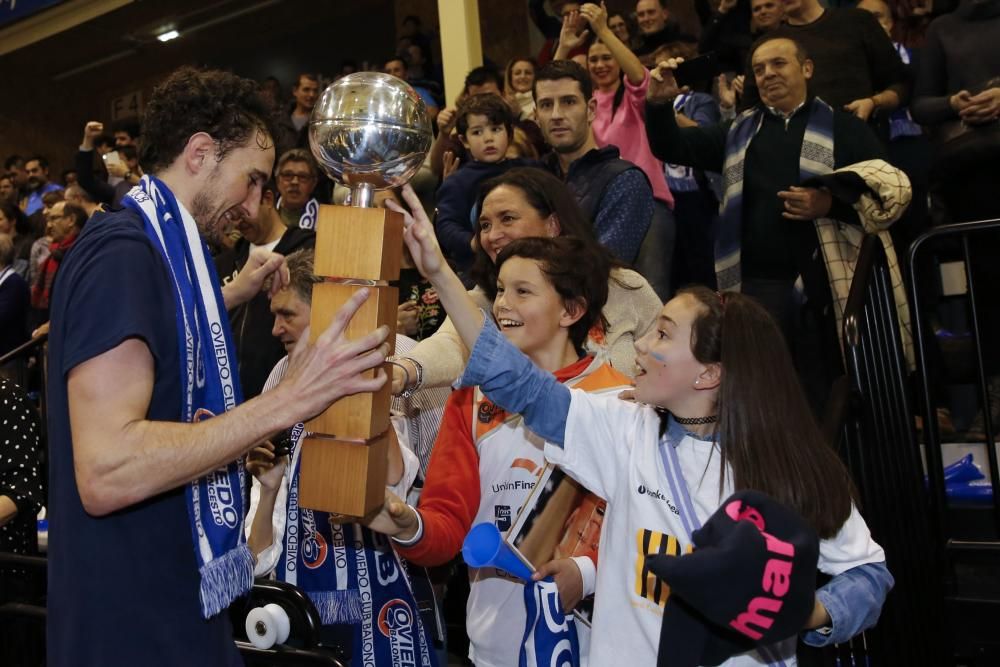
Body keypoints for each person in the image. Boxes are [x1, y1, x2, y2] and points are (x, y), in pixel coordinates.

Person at [382, 197, 894, 666]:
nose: (642, 344)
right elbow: (517, 383)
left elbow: (869, 576)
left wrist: (806, 614)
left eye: (664, 334)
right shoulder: (624, 428)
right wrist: (437, 272)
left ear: (708, 374)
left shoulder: (791, 469)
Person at [45, 66, 391, 665]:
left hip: (171, 604)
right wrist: (286, 402)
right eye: (252, 181)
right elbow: (108, 469)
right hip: (134, 626)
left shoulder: (153, 255)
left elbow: (159, 340)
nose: (257, 207)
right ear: (201, 154)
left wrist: (228, 295)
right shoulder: (124, 255)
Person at [367, 220, 632, 667]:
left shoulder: (620, 401)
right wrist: (407, 526)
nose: (504, 305)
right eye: (501, 291)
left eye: (522, 292)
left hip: (596, 649)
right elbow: (448, 525)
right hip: (494, 648)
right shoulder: (470, 399)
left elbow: (640, 536)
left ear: (571, 310)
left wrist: (586, 574)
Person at [645, 36, 910, 410]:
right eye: (758, 69)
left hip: (829, 286)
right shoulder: (738, 131)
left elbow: (889, 194)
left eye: (778, 64)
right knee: (769, 394)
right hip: (757, 288)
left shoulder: (844, 128)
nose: (767, 74)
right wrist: (658, 103)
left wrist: (830, 203)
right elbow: (672, 147)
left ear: (807, 68)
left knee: (830, 389)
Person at [245, 248, 437, 666]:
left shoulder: (396, 363)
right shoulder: (280, 377)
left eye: (287, 314)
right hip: (299, 614)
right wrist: (268, 486)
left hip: (384, 606)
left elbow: (412, 485)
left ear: (328, 308)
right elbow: (259, 556)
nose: (275, 329)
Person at [392, 167, 661, 396]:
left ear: (552, 225)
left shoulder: (624, 286)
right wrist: (404, 371)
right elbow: (450, 345)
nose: (492, 235)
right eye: (484, 225)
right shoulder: (486, 301)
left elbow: (670, 357)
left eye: (507, 219)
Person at [576, 1, 677, 299]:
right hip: (598, 204)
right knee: (605, 292)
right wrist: (565, 45)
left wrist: (604, 31)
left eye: (607, 57)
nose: (600, 64)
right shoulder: (586, 104)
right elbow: (553, 87)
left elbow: (641, 79)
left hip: (650, 202)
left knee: (652, 289)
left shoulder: (633, 101)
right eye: (593, 59)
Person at [534, 60, 655, 265]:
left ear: (590, 109)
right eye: (546, 105)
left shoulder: (625, 180)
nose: (556, 115)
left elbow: (601, 267)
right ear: (536, 116)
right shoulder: (533, 178)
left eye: (568, 102)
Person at [215, 177, 316, 399]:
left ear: (268, 199)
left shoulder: (311, 248)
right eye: (233, 216)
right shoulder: (223, 263)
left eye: (242, 213)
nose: (238, 223)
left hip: (287, 388)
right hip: (229, 395)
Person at [434, 93, 537, 270]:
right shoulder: (458, 181)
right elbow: (446, 225)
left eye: (496, 129)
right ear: (464, 140)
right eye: (477, 132)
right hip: (479, 269)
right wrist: (472, 242)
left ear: (510, 134)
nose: (488, 138)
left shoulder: (531, 170)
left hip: (529, 260)